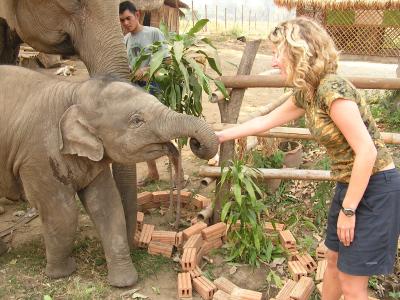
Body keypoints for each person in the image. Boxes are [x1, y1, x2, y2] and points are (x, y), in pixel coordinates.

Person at [216, 17, 400, 300]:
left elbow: (368, 151)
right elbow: (265, 120)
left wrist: (349, 211)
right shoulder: (309, 93)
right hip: (350, 184)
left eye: (278, 53)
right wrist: (219, 136)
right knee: (333, 262)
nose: (275, 61)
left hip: (375, 187)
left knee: (353, 286)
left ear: (298, 53)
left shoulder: (332, 89)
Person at [119, 1, 183, 186]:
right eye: (122, 20)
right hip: (137, 92)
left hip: (156, 89)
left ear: (137, 15)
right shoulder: (126, 41)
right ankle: (153, 172)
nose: (125, 23)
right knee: (142, 133)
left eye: (128, 18)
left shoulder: (153, 33)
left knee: (163, 131)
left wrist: (147, 70)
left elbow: (168, 61)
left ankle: (179, 172)